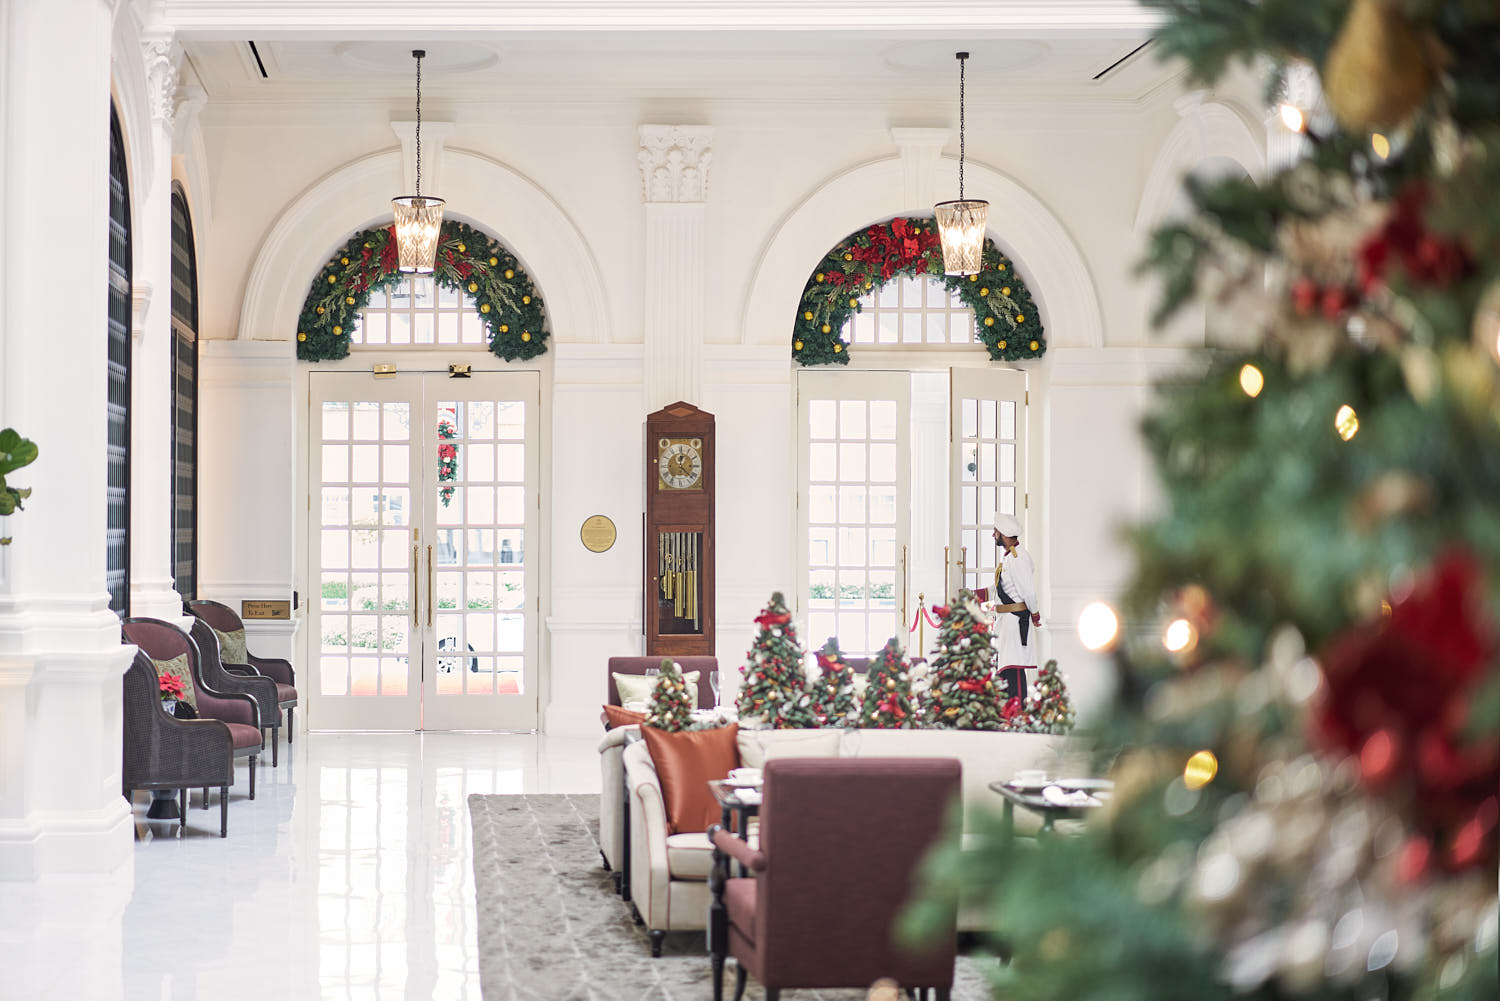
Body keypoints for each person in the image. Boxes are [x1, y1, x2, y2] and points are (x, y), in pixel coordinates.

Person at [988, 512, 1040, 701]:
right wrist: (976, 594)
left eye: (996, 531)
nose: (994, 535)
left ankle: (1017, 714)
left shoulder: (1018, 558)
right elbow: (1000, 588)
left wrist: (1035, 614)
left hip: (1015, 622)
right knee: (1006, 670)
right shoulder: (1009, 558)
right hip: (1006, 622)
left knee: (1014, 670)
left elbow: (1028, 592)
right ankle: (1008, 713)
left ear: (1004, 533)